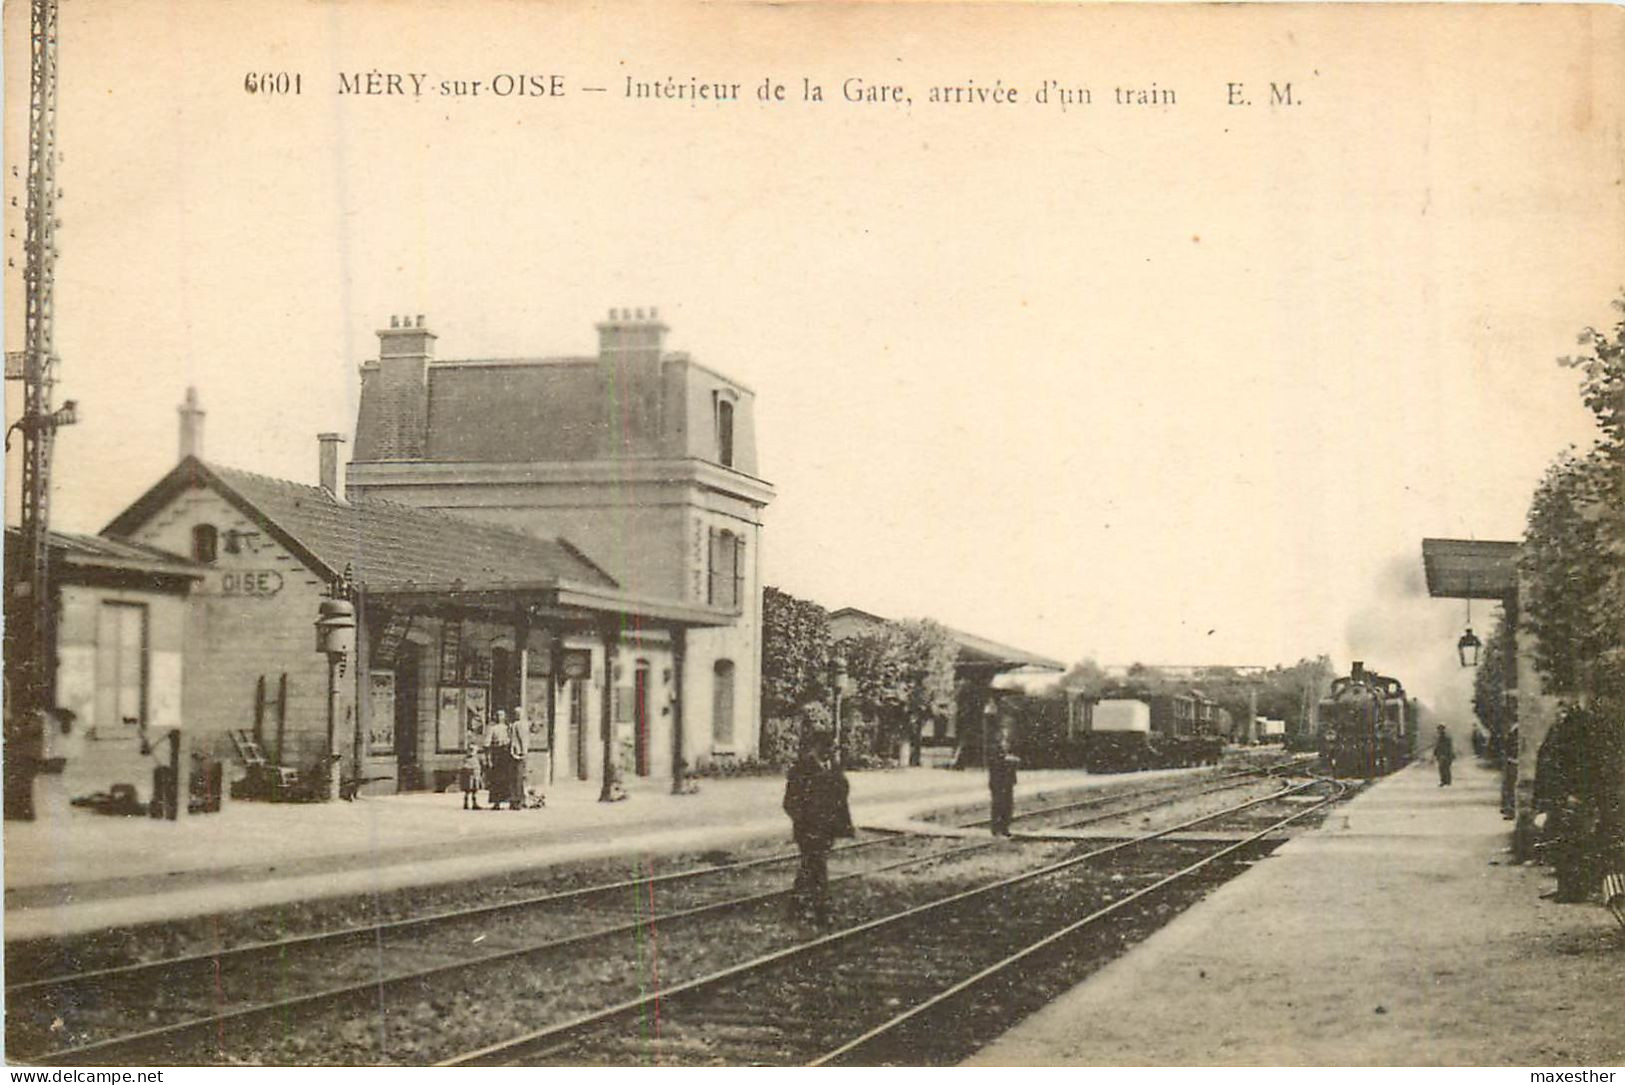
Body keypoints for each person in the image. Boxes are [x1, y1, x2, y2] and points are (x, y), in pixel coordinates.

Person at [782, 731, 853, 924]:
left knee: (810, 866)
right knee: (818, 866)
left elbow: (842, 791)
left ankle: (797, 906)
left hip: (826, 828)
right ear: (818, 747)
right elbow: (790, 802)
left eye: (833, 747)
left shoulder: (833, 768)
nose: (832, 751)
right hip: (808, 829)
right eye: (829, 747)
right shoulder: (801, 769)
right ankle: (821, 910)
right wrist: (804, 822)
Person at [988, 731, 1020, 837]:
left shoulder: (1008, 753)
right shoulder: (995, 752)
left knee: (1008, 806)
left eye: (1008, 743)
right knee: (998, 805)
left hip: (1008, 783)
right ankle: (996, 828)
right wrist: (1007, 760)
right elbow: (995, 765)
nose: (1007, 745)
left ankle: (1005, 828)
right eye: (1005, 742)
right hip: (998, 783)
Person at [486, 710, 513, 810]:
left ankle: (509, 800)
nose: (500, 717)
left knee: (507, 778)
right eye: (498, 715)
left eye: (502, 715)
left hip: (506, 754)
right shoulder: (492, 729)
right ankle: (496, 802)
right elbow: (487, 744)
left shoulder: (508, 728)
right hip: (496, 754)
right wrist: (488, 758)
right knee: (497, 779)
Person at [508, 706, 529, 811]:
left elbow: (521, 739)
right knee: (518, 778)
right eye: (516, 713)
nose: (517, 715)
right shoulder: (519, 724)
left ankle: (516, 800)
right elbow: (521, 739)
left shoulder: (517, 724)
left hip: (517, 753)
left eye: (518, 713)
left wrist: (523, 751)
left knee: (517, 778)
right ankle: (518, 800)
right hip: (518, 753)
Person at [460, 744, 484, 810]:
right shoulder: (466, 759)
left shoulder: (476, 758)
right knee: (468, 790)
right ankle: (466, 803)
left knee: (474, 790)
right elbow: (463, 768)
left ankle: (474, 803)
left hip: (475, 776)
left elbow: (479, 767)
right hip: (469, 776)